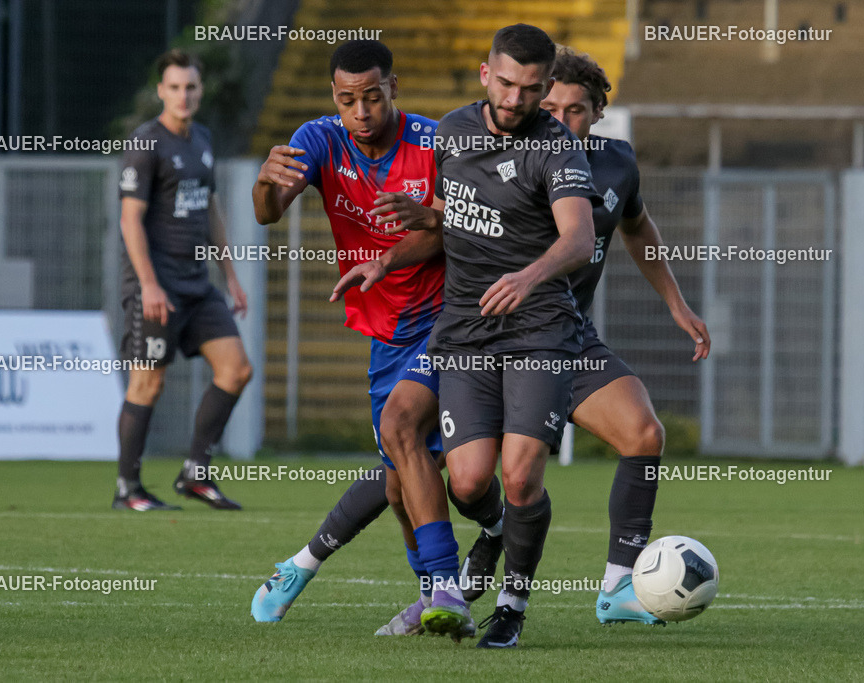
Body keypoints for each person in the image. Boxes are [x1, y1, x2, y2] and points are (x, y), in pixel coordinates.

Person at [453, 45, 711, 626]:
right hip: (489, 341)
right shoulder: (500, 156)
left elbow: (638, 227)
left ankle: (618, 587)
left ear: (598, 114)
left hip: (566, 338)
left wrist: (677, 303)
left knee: (643, 433)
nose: (563, 117)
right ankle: (489, 535)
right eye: (552, 105)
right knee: (468, 482)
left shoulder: (616, 162)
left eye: (578, 109)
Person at [249, 40, 471, 639]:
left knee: (408, 437)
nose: (362, 110)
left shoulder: (434, 143)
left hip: (450, 319)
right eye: (348, 99)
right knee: (400, 479)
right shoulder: (319, 139)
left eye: (372, 95)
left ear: (393, 87)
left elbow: (458, 231)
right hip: (385, 332)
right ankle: (434, 592)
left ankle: (451, 580)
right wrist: (265, 183)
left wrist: (387, 258)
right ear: (334, 99)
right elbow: (268, 213)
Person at [423, 24, 601, 648]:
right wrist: (386, 259)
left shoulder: (558, 149)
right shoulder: (449, 132)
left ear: (546, 87)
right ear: (484, 74)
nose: (515, 98)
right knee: (468, 483)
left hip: (540, 328)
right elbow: (447, 214)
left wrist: (530, 275)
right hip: (466, 328)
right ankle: (496, 530)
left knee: (522, 475)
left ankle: (512, 605)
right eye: (505, 83)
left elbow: (579, 238)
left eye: (530, 88)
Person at [113, 49, 251, 512]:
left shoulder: (203, 139)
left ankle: (195, 474)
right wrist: (149, 285)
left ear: (200, 89)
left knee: (236, 370)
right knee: (147, 384)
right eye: (174, 87)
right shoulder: (146, 143)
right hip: (158, 287)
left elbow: (209, 209)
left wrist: (230, 275)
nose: (183, 95)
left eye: (190, 87)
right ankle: (128, 488)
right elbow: (130, 220)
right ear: (161, 92)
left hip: (198, 285)